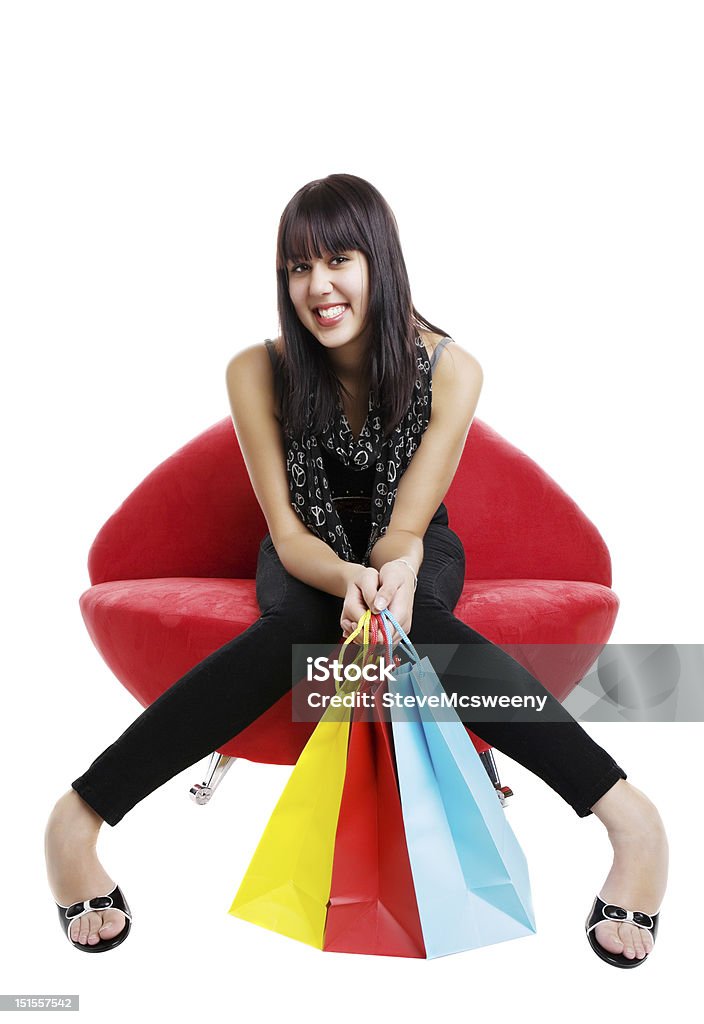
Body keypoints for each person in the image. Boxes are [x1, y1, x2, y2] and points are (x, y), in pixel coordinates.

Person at [45, 173, 668, 967]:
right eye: (297, 268)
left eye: (338, 259)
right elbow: (287, 530)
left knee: (420, 628)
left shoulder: (452, 369)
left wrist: (389, 581)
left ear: (379, 260)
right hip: (304, 554)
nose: (318, 286)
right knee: (300, 626)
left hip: (414, 548)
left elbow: (406, 527)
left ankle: (632, 822)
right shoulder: (255, 370)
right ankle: (77, 820)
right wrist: (345, 583)